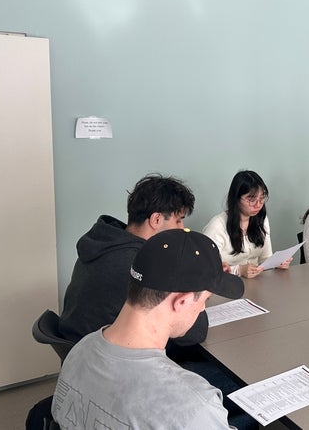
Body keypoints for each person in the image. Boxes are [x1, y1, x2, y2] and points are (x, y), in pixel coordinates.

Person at [51, 228, 246, 429]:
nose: (203, 307)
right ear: (182, 301)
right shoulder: (195, 407)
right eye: (206, 299)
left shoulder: (79, 350)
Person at [58, 173, 203, 345]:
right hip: (112, 363)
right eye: (178, 221)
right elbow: (195, 331)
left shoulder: (104, 243)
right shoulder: (139, 264)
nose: (182, 229)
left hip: (84, 354)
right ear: (156, 219)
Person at [203, 170, 291, 278]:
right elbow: (205, 268)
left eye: (262, 198)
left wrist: (277, 262)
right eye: (252, 199)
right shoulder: (217, 226)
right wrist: (238, 270)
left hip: (255, 284)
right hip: (224, 286)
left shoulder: (261, 220)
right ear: (236, 198)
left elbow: (265, 258)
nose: (258, 205)